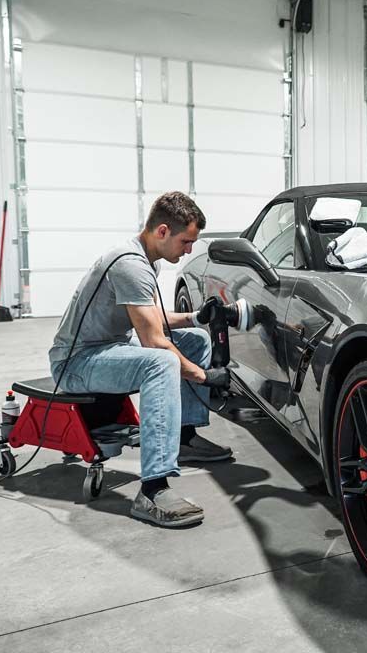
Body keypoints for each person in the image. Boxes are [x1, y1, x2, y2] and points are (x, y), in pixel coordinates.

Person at [49, 192, 235, 528]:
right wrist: (205, 376)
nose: (188, 250)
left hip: (109, 348)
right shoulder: (130, 265)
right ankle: (153, 489)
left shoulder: (148, 260)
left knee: (195, 339)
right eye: (186, 241)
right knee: (161, 362)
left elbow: (151, 318)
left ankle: (184, 438)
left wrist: (195, 317)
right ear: (162, 231)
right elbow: (153, 341)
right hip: (76, 362)